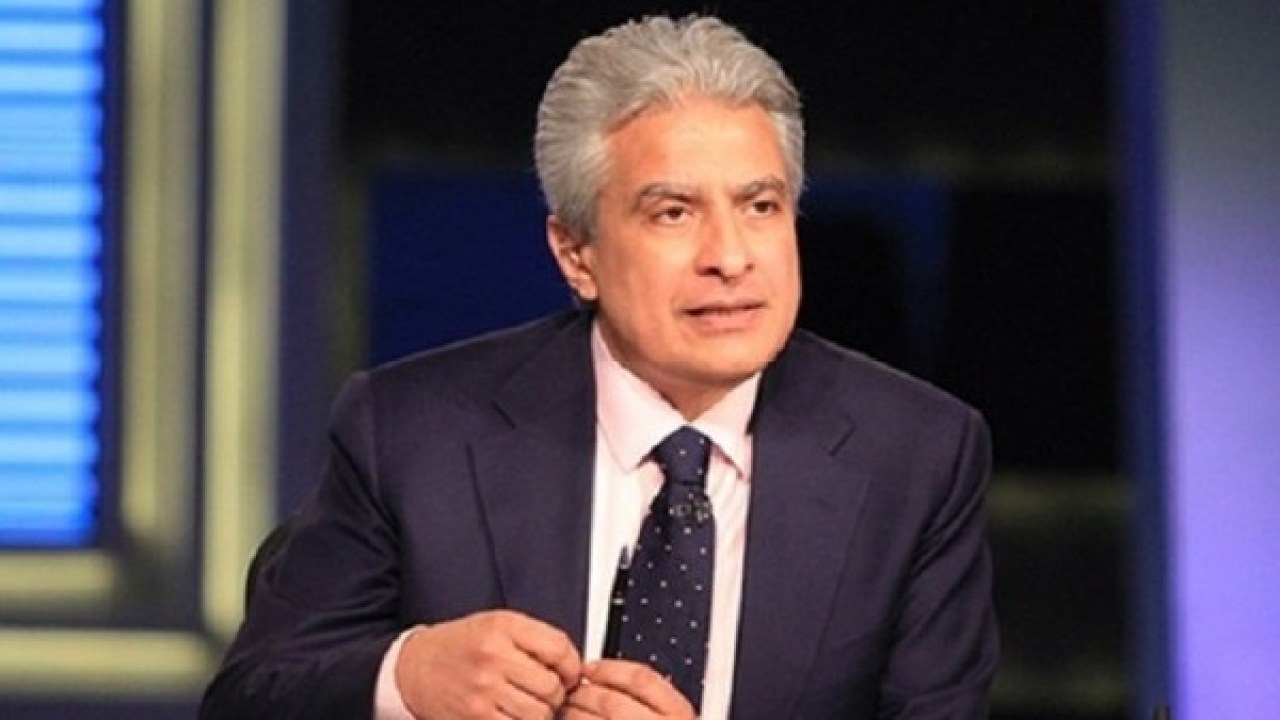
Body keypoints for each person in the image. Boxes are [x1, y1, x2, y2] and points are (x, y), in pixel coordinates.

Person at [201, 14, 997, 720]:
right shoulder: (411, 433)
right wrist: (405, 677)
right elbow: (251, 697)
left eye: (760, 206)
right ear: (575, 254)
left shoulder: (917, 456)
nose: (730, 257)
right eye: (674, 213)